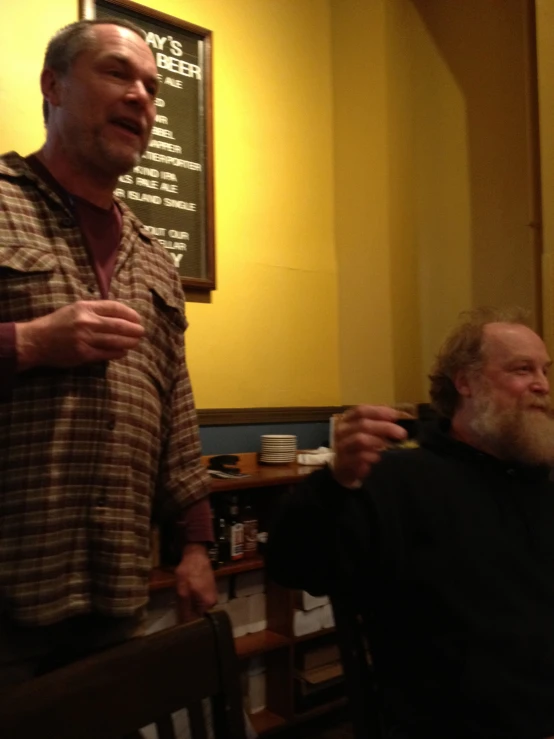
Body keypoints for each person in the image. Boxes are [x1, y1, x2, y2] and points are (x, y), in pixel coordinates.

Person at [0, 18, 217, 688]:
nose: (142, 99)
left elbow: (173, 407)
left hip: (114, 591)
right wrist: (30, 342)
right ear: (52, 85)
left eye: (152, 88)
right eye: (118, 74)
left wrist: (198, 542)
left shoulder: (154, 254)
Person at [267, 307, 554, 739]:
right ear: (466, 382)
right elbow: (294, 564)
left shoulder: (540, 480)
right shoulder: (399, 479)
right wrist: (335, 482)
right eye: (522, 369)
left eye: (546, 371)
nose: (543, 386)